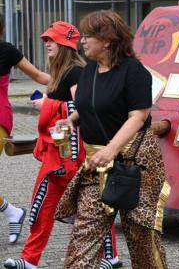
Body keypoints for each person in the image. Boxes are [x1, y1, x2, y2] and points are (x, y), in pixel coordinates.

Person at [55, 10, 169, 268]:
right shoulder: (89, 71)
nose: (82, 41)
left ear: (106, 40)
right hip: (97, 164)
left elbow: (138, 117)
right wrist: (70, 121)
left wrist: (111, 149)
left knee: (141, 237)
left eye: (88, 36)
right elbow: (88, 106)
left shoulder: (134, 71)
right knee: (84, 234)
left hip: (136, 163)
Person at [4, 22, 122, 269]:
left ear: (65, 45)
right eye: (46, 39)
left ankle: (110, 256)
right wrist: (48, 101)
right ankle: (29, 259)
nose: (47, 43)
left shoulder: (76, 72)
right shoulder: (62, 72)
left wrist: (47, 105)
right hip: (58, 153)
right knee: (42, 205)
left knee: (91, 207)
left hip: (72, 155)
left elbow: (84, 109)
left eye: (52, 40)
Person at [0, 16, 50, 245]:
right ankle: (12, 212)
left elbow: (39, 76)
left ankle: (12, 212)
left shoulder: (7, 50)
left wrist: (78, 80)